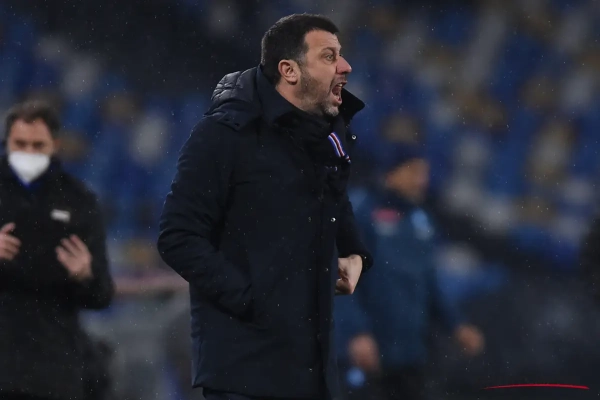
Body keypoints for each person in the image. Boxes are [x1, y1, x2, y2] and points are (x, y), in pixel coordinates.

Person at [157, 13, 373, 400]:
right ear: (289, 70)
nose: (345, 66)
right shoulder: (224, 134)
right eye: (329, 56)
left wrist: (355, 252)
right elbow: (178, 236)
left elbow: (336, 201)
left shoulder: (324, 137)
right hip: (245, 372)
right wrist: (253, 301)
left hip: (313, 371)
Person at [335, 143, 484, 400]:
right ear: (392, 172)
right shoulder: (360, 212)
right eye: (414, 172)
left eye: (424, 173)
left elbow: (429, 283)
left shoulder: (422, 220)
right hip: (367, 351)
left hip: (409, 354)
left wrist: (457, 324)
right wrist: (356, 333)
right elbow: (342, 281)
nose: (422, 180)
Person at [0, 100, 115, 400]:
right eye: (20, 144)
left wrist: (85, 274)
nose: (28, 153)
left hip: (53, 369)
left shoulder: (79, 201)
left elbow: (102, 294)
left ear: (55, 145)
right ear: (6, 143)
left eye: (38, 145)